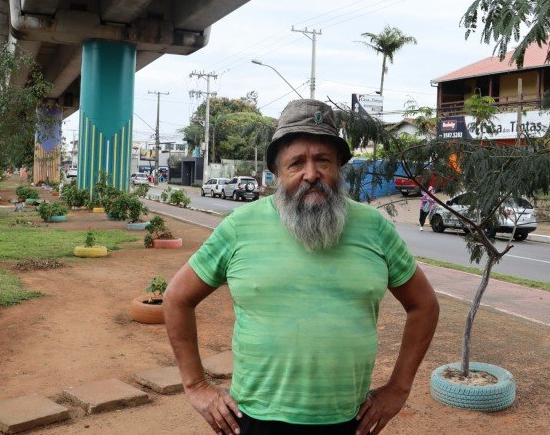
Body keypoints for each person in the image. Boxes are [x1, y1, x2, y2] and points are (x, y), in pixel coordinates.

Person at [164, 99, 439, 435]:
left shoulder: (374, 228)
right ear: (277, 173)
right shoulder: (239, 227)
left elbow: (424, 305)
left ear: (339, 166)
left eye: (323, 160)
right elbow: (177, 297)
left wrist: (398, 389)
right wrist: (195, 385)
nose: (312, 174)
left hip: (350, 422)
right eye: (296, 163)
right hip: (256, 420)